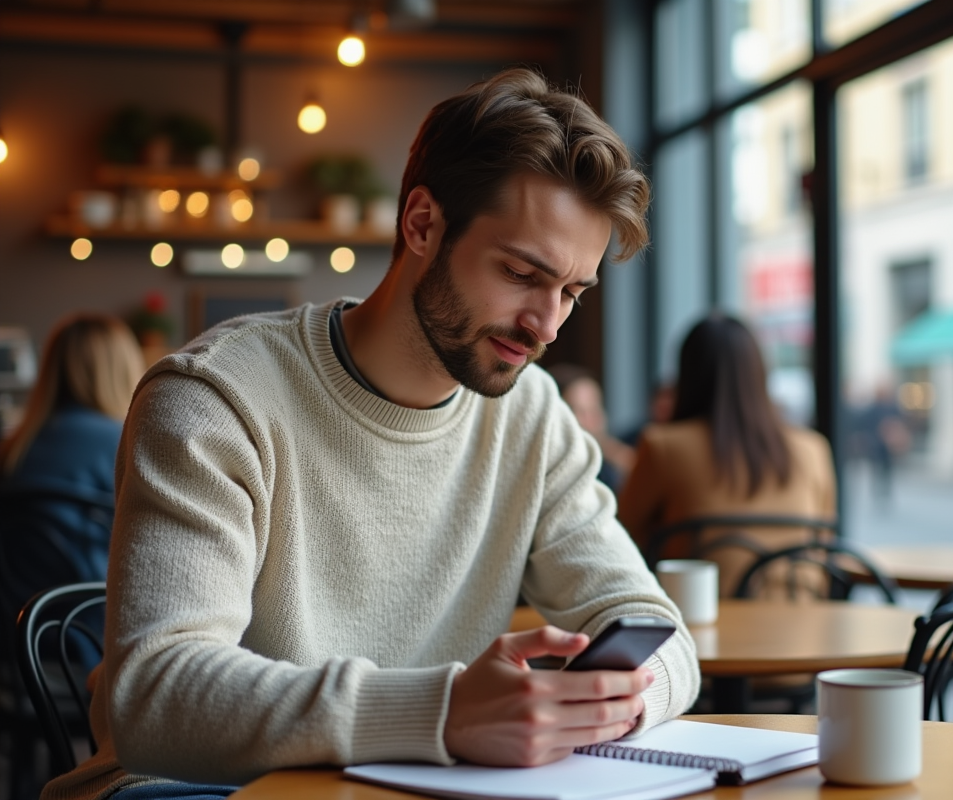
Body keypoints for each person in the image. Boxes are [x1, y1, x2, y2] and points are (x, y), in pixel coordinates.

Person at [46, 69, 699, 800]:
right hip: (192, 788)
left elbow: (654, 631)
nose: (546, 324)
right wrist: (444, 714)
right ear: (422, 224)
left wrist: (600, 702)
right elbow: (155, 700)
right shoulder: (215, 398)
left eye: (571, 293)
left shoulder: (534, 417)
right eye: (521, 273)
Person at [617, 314, 836, 597]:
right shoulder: (813, 449)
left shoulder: (663, 446)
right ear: (759, 372)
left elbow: (620, 538)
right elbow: (826, 549)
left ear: (687, 374)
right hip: (803, 623)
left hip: (700, 623)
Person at [0, 313, 143, 619]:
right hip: (99, 625)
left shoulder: (14, 447)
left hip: (22, 630)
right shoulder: (127, 442)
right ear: (124, 370)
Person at [548, 363, 635, 491]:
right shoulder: (558, 475)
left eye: (595, 408)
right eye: (581, 412)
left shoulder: (615, 463)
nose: (593, 419)